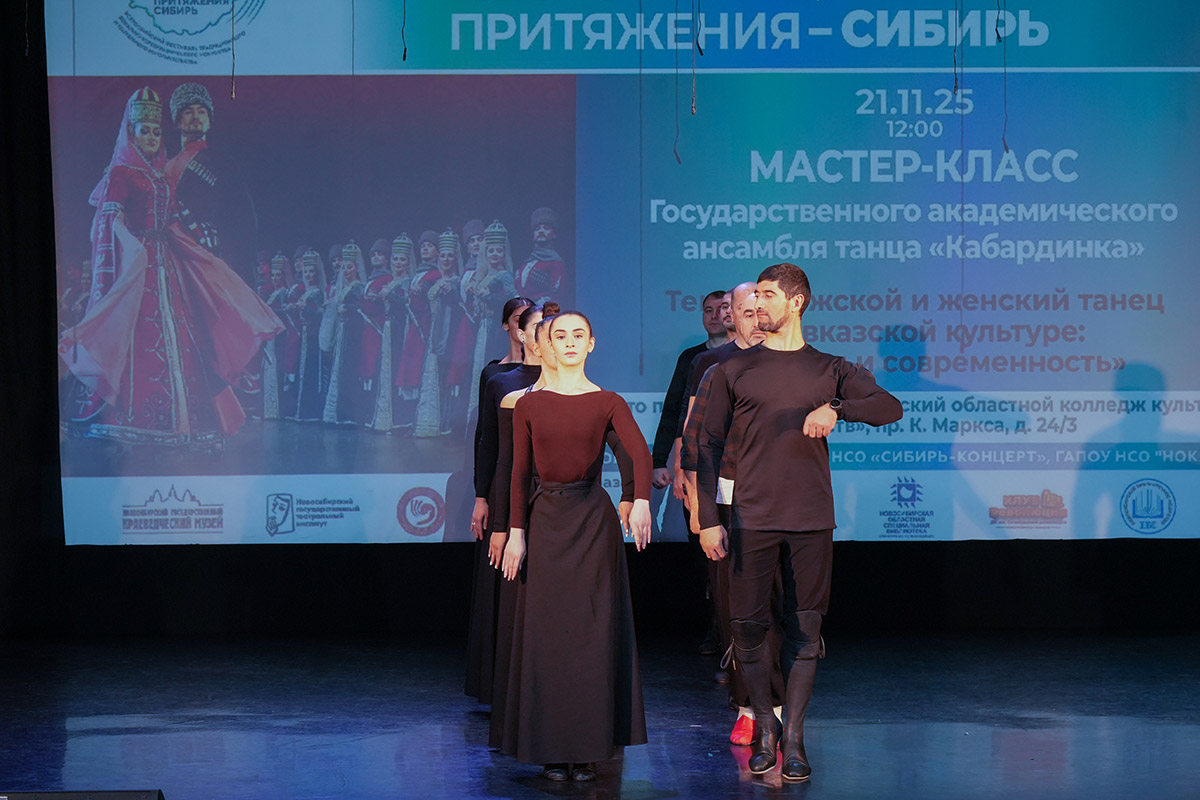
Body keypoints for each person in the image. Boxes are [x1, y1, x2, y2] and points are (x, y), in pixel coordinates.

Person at [696, 263, 903, 782]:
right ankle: (765, 728)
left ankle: (794, 740)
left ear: (796, 302)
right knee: (747, 626)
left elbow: (888, 407)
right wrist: (708, 518)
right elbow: (707, 446)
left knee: (806, 627)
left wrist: (836, 408)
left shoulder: (829, 368)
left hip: (810, 516)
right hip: (751, 515)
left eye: (767, 295)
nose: (755, 305)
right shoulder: (732, 369)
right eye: (755, 296)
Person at [59, 87, 282, 447]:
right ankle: (130, 412)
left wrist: (203, 246)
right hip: (140, 263)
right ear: (133, 133)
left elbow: (219, 213)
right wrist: (132, 249)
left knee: (186, 332)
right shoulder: (125, 173)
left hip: (171, 260)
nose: (150, 137)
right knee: (135, 331)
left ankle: (184, 418)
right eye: (143, 131)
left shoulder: (194, 166)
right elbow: (109, 222)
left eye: (155, 131)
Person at [496, 311, 652, 781]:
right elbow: (519, 473)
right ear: (546, 345)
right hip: (545, 521)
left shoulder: (606, 401)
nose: (568, 342)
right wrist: (516, 532)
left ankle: (587, 748)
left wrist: (638, 499)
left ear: (591, 344)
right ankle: (550, 746)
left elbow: (638, 453)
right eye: (560, 335)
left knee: (591, 634)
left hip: (591, 524)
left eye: (577, 335)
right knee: (548, 635)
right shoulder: (529, 404)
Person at [678, 282, 785, 746]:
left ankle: (774, 707)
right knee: (736, 609)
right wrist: (699, 506)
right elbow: (694, 439)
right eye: (745, 311)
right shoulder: (712, 365)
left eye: (761, 311)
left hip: (783, 502)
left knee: (781, 608)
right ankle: (747, 705)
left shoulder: (789, 363)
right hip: (726, 501)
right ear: (731, 317)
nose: (755, 319)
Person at [465, 302, 549, 703]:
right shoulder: (501, 381)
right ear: (521, 334)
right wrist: (481, 496)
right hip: (506, 485)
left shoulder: (565, 383)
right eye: (540, 328)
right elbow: (488, 442)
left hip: (551, 491)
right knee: (506, 581)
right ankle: (501, 683)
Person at [167, 81, 258, 287]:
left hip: (211, 252)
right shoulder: (166, 165)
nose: (196, 117)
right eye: (188, 112)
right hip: (174, 253)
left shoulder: (223, 164)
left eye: (202, 111)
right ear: (178, 122)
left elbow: (243, 216)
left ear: (209, 121)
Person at [464, 220, 519, 422]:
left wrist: (490, 297)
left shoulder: (505, 276)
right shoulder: (486, 276)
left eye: (499, 251)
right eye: (491, 251)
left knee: (492, 367)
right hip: (483, 327)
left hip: (496, 329)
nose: (495, 254)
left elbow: (513, 299)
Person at [322, 241, 368, 426]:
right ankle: (337, 413)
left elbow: (362, 309)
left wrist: (348, 309)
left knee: (349, 371)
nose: (346, 271)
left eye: (349, 267)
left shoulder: (358, 288)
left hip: (353, 335)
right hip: (343, 332)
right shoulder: (344, 288)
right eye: (344, 267)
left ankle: (348, 414)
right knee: (339, 370)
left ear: (356, 268)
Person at [288, 249, 329, 422]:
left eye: (311, 271)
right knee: (302, 370)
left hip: (314, 335)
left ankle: (311, 411)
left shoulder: (318, 292)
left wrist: (307, 309)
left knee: (312, 371)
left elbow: (321, 313)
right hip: (305, 335)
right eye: (306, 271)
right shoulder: (305, 292)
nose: (308, 274)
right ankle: (302, 411)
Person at [515, 207, 565, 304]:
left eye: (546, 228)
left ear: (553, 234)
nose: (541, 231)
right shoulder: (528, 262)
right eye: (537, 229)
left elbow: (556, 294)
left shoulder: (556, 262)